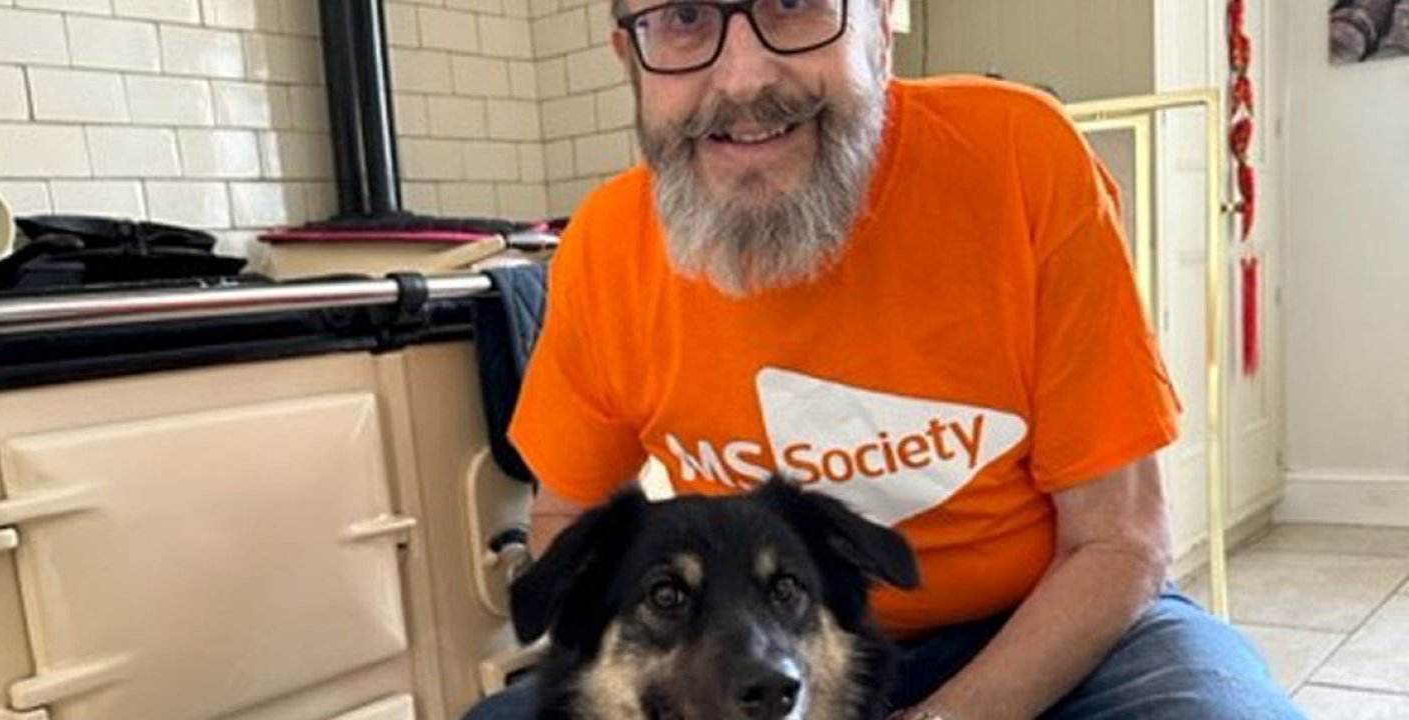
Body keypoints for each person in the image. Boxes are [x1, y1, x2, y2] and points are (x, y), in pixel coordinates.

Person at [466, 0, 1303, 717]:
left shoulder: (1021, 161)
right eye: (684, 18)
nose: (745, 78)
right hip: (751, 641)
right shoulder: (606, 247)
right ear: (630, 57)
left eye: (795, 3)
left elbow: (1119, 544)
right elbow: (568, 523)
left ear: (880, 25)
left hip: (1051, 624)